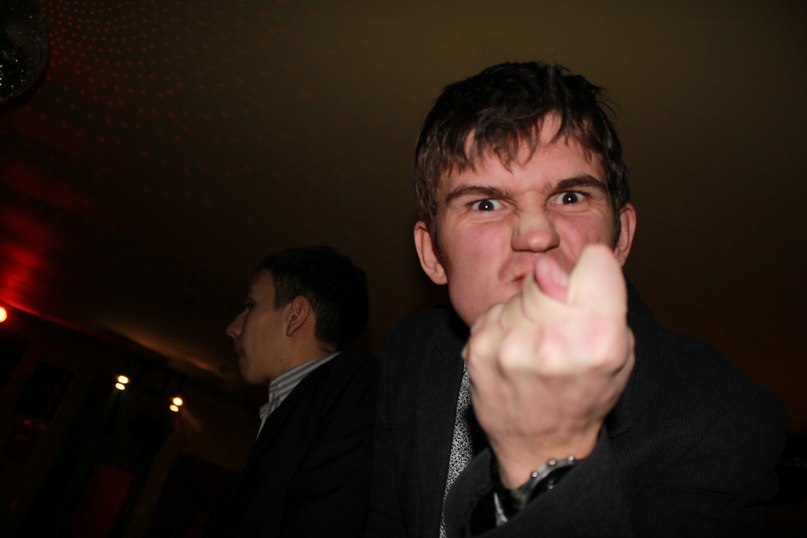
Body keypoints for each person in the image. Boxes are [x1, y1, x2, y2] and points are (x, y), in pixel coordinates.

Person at [366, 62, 785, 537]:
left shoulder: (724, 415)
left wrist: (543, 460)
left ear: (621, 237)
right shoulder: (410, 349)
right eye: (485, 204)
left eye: (570, 198)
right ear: (432, 254)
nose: (536, 234)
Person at [208, 245, 378, 537]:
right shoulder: (293, 410)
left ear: (296, 314)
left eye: (250, 305)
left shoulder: (355, 386)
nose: (233, 327)